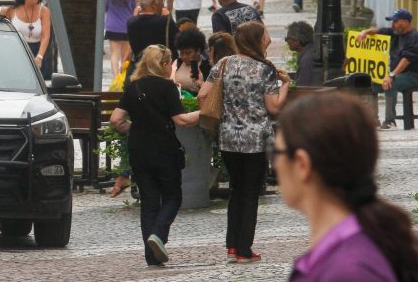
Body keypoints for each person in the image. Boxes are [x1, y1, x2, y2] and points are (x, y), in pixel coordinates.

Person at [274, 93, 418, 281]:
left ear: (302, 164)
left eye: (275, 152)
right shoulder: (353, 250)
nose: (273, 163)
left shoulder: (348, 270)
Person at [197, 21, 291, 263]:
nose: (267, 39)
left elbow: (202, 94)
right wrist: (286, 85)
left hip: (228, 138)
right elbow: (274, 107)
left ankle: (232, 245)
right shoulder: (264, 69)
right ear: (256, 40)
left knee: (236, 190)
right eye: (264, 36)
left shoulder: (223, 64)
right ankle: (244, 250)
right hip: (255, 140)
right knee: (250, 194)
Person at [110, 45, 200, 267]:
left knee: (149, 201)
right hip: (164, 149)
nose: (170, 67)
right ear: (163, 64)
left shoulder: (133, 87)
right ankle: (158, 235)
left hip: (139, 150)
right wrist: (205, 113)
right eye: (169, 62)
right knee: (172, 197)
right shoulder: (167, 87)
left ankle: (152, 256)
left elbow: (116, 120)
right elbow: (181, 120)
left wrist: (136, 127)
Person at [356, 9, 418, 130]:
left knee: (389, 83)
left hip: (414, 75)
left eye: (396, 21)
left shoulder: (415, 37)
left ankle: (390, 121)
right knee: (371, 84)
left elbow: (406, 60)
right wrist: (364, 32)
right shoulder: (395, 32)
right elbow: (377, 30)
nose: (393, 24)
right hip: (398, 74)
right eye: (392, 22)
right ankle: (373, 120)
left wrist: (391, 75)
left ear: (405, 22)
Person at [125, 0, 179, 88]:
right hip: (161, 72)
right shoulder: (165, 22)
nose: (163, 4)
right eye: (162, 1)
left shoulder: (131, 22)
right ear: (154, 3)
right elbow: (178, 42)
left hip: (139, 71)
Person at [1, 0, 52, 78]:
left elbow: (46, 36)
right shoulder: (11, 10)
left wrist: (39, 57)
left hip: (37, 51)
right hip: (16, 50)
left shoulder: (44, 11)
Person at [105, 0, 136, 78]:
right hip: (127, 27)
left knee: (114, 54)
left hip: (112, 27)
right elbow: (134, 10)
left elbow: (105, 8)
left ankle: (115, 77)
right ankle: (123, 77)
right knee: (125, 55)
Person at [170, 28, 209, 95]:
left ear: (198, 50)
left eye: (188, 53)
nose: (184, 57)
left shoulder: (206, 66)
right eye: (182, 53)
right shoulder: (177, 63)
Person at [286, 21, 315, 86]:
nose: (287, 42)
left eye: (287, 38)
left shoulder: (307, 59)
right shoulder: (309, 52)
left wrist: (287, 82)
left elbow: (302, 87)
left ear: (297, 41)